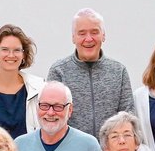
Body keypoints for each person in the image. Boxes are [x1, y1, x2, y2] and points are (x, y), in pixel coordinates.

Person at [47, 8, 133, 138]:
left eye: (94, 32)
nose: (88, 39)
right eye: (82, 33)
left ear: (103, 35)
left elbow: (128, 117)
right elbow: (52, 117)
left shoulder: (119, 71)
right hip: (71, 149)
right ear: (73, 37)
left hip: (111, 149)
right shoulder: (59, 71)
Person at [0, 24, 45, 138]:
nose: (11, 55)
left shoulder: (39, 89)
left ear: (23, 55)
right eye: (5, 50)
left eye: (17, 50)